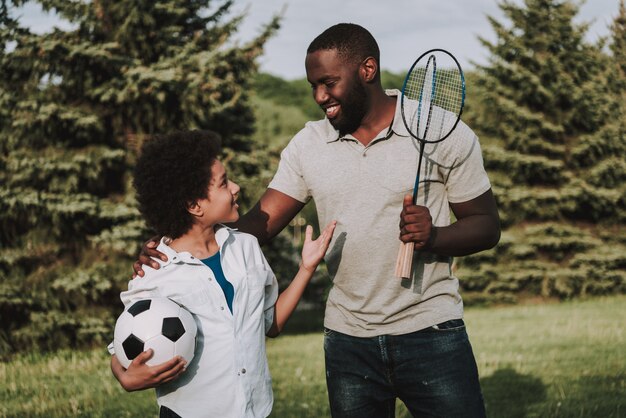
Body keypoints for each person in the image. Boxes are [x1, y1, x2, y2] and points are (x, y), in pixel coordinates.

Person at [135, 24, 500, 418]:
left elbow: (485, 225)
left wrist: (434, 236)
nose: (319, 97)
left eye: (328, 82)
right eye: (313, 85)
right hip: (348, 342)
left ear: (368, 69)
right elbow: (260, 224)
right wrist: (176, 243)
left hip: (431, 331)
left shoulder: (440, 131)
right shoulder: (308, 144)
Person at [110, 130, 336, 418]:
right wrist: (125, 377)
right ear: (194, 205)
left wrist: (306, 268)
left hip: (256, 410)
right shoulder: (155, 271)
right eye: (223, 183)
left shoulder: (246, 247)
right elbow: (124, 347)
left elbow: (272, 324)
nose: (236, 187)